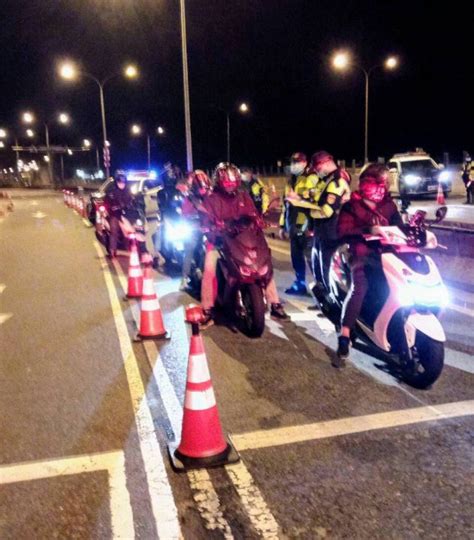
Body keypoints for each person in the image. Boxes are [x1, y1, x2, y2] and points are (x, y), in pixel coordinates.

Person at [200, 162, 289, 326]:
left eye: (233, 183)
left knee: (264, 266)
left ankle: (275, 304)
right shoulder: (212, 199)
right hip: (219, 240)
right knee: (209, 269)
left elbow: (253, 215)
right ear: (219, 182)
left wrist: (260, 221)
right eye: (226, 183)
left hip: (243, 239)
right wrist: (210, 226)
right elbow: (205, 218)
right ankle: (207, 309)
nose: (230, 186)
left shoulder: (243, 196)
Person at [335, 163, 403, 365]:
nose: (384, 188)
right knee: (360, 288)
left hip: (387, 256)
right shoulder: (351, 206)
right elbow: (343, 231)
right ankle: (345, 334)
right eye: (380, 184)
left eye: (385, 184)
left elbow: (400, 227)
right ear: (368, 185)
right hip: (361, 254)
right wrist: (368, 230)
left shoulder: (389, 205)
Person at [287, 151, 351, 305]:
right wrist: (304, 198)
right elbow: (316, 197)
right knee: (319, 267)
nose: (316, 171)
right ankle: (326, 302)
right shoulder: (327, 179)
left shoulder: (337, 180)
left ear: (325, 163)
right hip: (322, 231)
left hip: (331, 231)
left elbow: (326, 211)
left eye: (317, 168)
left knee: (328, 270)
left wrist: (302, 204)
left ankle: (334, 304)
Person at [279, 152, 315, 295]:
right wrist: (282, 226)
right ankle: (300, 285)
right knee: (296, 258)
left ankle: (322, 291)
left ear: (305, 163)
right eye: (292, 162)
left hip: (306, 225)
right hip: (293, 225)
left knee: (312, 260)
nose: (293, 165)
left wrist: (299, 197)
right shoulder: (290, 181)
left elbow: (315, 197)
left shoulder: (311, 178)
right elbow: (285, 205)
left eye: (297, 162)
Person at [179, 169, 212, 291]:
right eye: (201, 189)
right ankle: (184, 278)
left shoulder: (210, 197)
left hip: (208, 228)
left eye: (205, 189)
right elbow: (184, 215)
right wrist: (196, 225)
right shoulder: (190, 199)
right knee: (190, 249)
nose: (203, 191)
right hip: (193, 230)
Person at [104, 170, 133, 258]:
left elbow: (131, 200)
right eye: (120, 181)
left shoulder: (128, 190)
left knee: (136, 227)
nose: (122, 183)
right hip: (115, 214)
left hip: (126, 214)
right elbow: (107, 202)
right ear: (116, 181)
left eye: (123, 181)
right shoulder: (111, 191)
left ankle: (137, 248)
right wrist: (112, 207)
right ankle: (112, 250)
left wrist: (132, 204)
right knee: (114, 231)